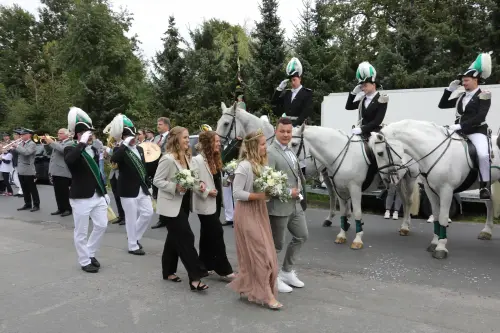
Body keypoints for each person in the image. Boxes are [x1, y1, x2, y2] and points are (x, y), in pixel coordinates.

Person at [227, 129, 282, 310]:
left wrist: (273, 190)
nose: (266, 147)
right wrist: (259, 196)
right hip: (246, 213)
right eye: (263, 144)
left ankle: (251, 288)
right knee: (261, 255)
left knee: (267, 252)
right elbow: (236, 193)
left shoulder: (262, 165)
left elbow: (266, 191)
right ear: (252, 146)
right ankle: (266, 295)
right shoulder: (244, 166)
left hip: (260, 212)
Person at [153, 126, 209, 291]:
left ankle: (168, 271)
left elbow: (193, 178)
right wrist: (174, 187)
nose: (188, 140)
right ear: (176, 139)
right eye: (185, 137)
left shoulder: (187, 157)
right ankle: (195, 277)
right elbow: (157, 180)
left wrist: (202, 187)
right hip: (170, 205)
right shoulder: (167, 159)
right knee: (187, 237)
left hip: (184, 203)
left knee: (173, 239)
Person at [438, 52, 493, 199]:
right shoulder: (461, 95)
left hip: (476, 131)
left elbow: (480, 116)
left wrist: (461, 126)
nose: (464, 83)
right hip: (458, 131)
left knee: (483, 154)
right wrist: (449, 90)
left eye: (466, 80)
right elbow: (442, 105)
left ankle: (484, 186)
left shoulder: (484, 94)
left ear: (476, 80)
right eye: (463, 81)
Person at [64, 107, 109, 273]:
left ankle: (90, 252)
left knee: (102, 225)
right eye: (88, 133)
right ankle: (84, 260)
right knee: (81, 231)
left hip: (97, 195)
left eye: (91, 134)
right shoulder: (71, 148)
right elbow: (70, 161)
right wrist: (81, 143)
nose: (91, 136)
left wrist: (104, 192)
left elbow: (97, 172)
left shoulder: (95, 149)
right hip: (81, 196)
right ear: (79, 134)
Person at [267, 117, 308, 293]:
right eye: (282, 131)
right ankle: (272, 277)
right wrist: (286, 192)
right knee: (276, 245)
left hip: (295, 204)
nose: (286, 134)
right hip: (279, 206)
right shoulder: (270, 152)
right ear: (276, 131)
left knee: (302, 235)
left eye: (289, 132)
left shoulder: (291, 150)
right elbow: (266, 183)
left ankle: (286, 271)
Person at [192, 130, 236, 280]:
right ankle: (223, 268)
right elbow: (194, 181)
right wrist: (207, 192)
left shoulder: (215, 159)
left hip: (215, 202)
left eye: (219, 141)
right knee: (217, 232)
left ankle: (204, 264)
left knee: (206, 233)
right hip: (204, 202)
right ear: (207, 143)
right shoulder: (197, 160)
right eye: (216, 141)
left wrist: (228, 179)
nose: (219, 144)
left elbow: (216, 180)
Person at [109, 114, 154, 255]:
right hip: (127, 189)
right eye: (129, 136)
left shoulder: (140, 149)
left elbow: (144, 168)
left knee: (148, 212)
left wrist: (148, 184)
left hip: (141, 188)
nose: (133, 138)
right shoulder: (119, 149)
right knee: (131, 218)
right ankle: (132, 246)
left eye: (133, 136)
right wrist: (125, 144)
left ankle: (134, 237)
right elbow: (114, 160)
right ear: (123, 138)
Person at [345, 61, 388, 139]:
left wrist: (362, 129)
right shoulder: (363, 100)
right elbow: (348, 106)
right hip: (363, 135)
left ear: (373, 85)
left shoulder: (382, 99)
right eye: (361, 86)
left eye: (365, 85)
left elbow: (377, 121)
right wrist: (353, 93)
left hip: (375, 134)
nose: (363, 88)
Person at [271, 57, 313, 127]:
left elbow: (305, 113)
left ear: (300, 79)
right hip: (287, 125)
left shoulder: (307, 93)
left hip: (300, 126)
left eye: (294, 80)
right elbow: (273, 102)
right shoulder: (287, 93)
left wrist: (294, 125)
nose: (292, 82)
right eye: (291, 80)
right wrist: (279, 89)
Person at [44, 129, 73, 217]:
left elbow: (63, 150)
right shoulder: (58, 142)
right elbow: (48, 153)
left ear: (67, 135)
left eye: (60, 133)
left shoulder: (70, 143)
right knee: (57, 191)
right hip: (55, 170)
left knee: (64, 191)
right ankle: (60, 208)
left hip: (63, 170)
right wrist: (47, 144)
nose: (58, 135)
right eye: (58, 133)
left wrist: (52, 142)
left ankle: (68, 209)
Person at [12, 128, 40, 212]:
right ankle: (27, 204)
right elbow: (17, 153)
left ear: (28, 135)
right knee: (24, 188)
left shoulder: (32, 144)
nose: (21, 136)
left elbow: (26, 152)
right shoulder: (21, 143)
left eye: (23, 135)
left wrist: (17, 146)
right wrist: (13, 147)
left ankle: (36, 204)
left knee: (32, 188)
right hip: (21, 169)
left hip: (28, 169)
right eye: (21, 135)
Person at [151, 117, 171, 229]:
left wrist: (159, 150)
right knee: (157, 194)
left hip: (166, 168)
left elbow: (170, 151)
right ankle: (162, 218)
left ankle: (168, 217)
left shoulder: (171, 137)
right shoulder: (156, 138)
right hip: (155, 169)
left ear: (167, 126)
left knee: (166, 193)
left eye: (160, 124)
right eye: (157, 124)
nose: (158, 126)